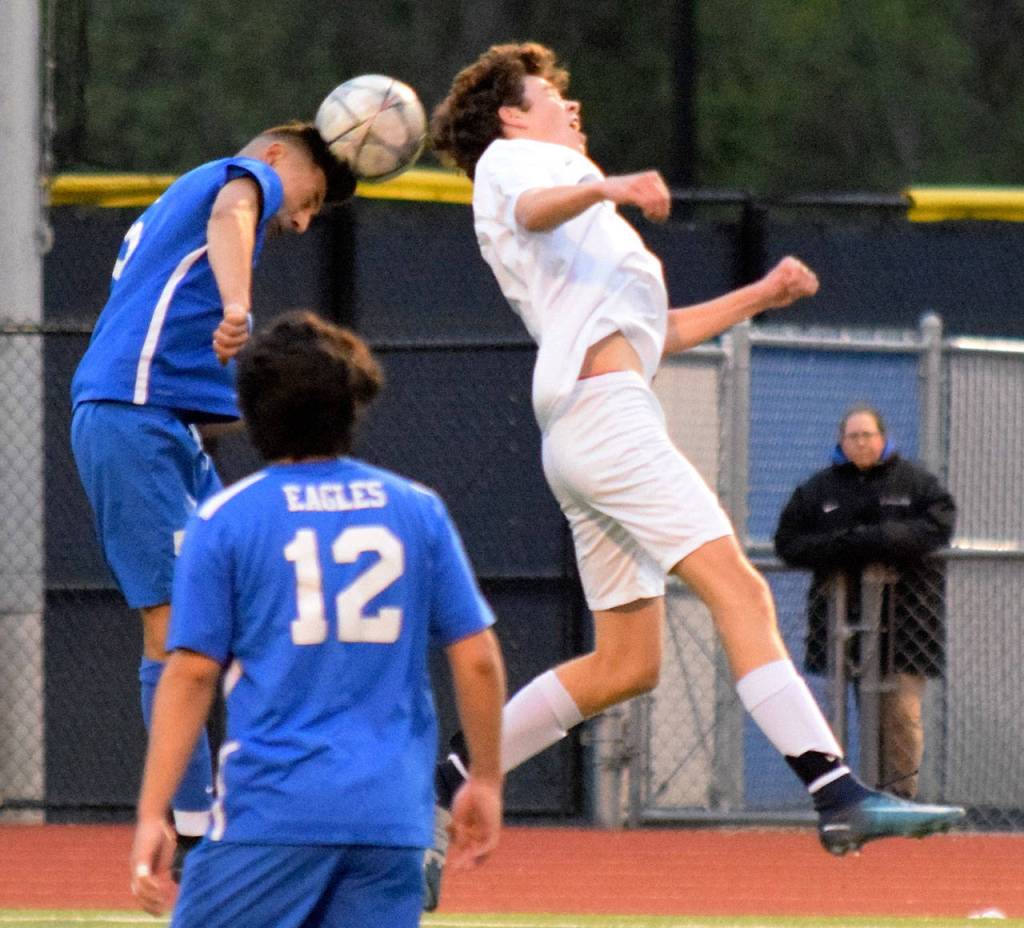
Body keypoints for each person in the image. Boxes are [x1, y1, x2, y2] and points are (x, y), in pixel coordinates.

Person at [424, 41, 964, 905]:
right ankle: (835, 792)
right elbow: (529, 206)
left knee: (624, 664)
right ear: (511, 117)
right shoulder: (517, 163)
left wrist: (761, 294)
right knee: (739, 590)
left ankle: (444, 785)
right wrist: (608, 184)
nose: (570, 105)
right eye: (550, 95)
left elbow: (658, 333)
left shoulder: (579, 226)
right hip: (606, 419)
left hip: (589, 425)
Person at [129, 311, 506, 926]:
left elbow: (192, 673)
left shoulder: (225, 519)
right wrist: (485, 779)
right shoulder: (417, 510)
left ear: (251, 413)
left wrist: (153, 812)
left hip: (271, 813)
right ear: (351, 408)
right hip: (392, 819)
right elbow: (478, 659)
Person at [70, 121, 357, 871]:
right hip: (133, 420)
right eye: (309, 199)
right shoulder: (240, 178)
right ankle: (198, 836)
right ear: (275, 158)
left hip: (167, 425)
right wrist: (238, 306)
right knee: (172, 631)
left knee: (243, 614)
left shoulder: (197, 204)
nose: (302, 221)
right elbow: (234, 212)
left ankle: (257, 805)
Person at [774, 404, 957, 799]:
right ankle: (845, 798)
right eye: (852, 436)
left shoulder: (916, 484)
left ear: (883, 438)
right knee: (845, 712)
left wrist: (879, 540)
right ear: (841, 442)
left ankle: (900, 797)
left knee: (901, 713)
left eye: (867, 435)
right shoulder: (818, 490)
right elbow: (788, 542)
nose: (860, 443)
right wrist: (842, 547)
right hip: (841, 620)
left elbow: (938, 527)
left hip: (909, 622)